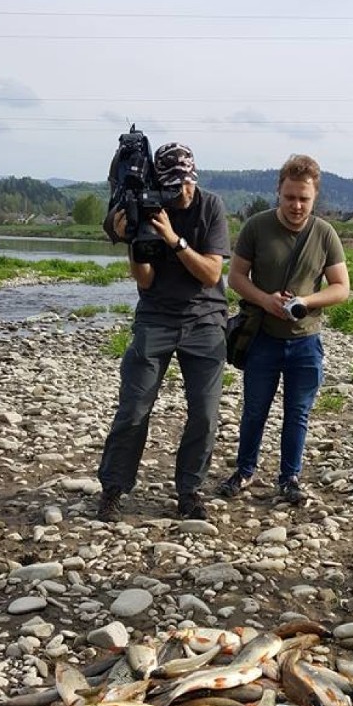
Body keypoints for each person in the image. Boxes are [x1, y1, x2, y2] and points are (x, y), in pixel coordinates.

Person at [96, 143, 230, 522]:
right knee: (134, 408)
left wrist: (174, 239)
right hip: (155, 317)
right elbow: (146, 281)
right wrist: (133, 243)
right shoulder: (149, 207)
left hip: (205, 320)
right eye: (172, 185)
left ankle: (189, 491)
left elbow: (211, 274)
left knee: (204, 413)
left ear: (194, 176)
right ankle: (113, 488)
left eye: (186, 182)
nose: (181, 192)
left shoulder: (211, 207)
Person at [217, 154, 350, 505]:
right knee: (254, 410)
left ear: (314, 197)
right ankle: (244, 471)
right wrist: (265, 300)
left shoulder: (324, 234)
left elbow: (341, 287)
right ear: (279, 192)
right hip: (262, 338)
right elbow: (235, 278)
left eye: (304, 199)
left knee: (298, 414)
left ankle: (289, 477)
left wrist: (306, 301)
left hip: (306, 342)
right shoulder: (256, 227)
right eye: (290, 197)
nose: (296, 205)